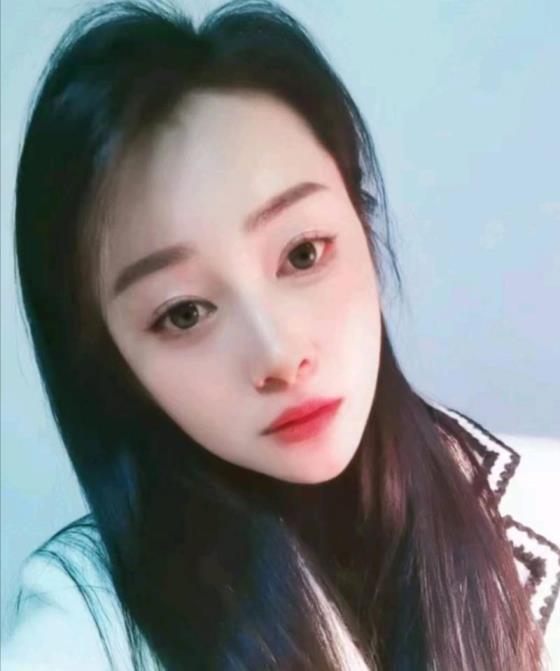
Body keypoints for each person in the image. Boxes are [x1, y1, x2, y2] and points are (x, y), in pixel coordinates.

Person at [2, 0, 558, 669]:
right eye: (184, 312)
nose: (280, 355)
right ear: (112, 363)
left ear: (361, 225)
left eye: (302, 253)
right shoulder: (86, 620)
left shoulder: (544, 501)